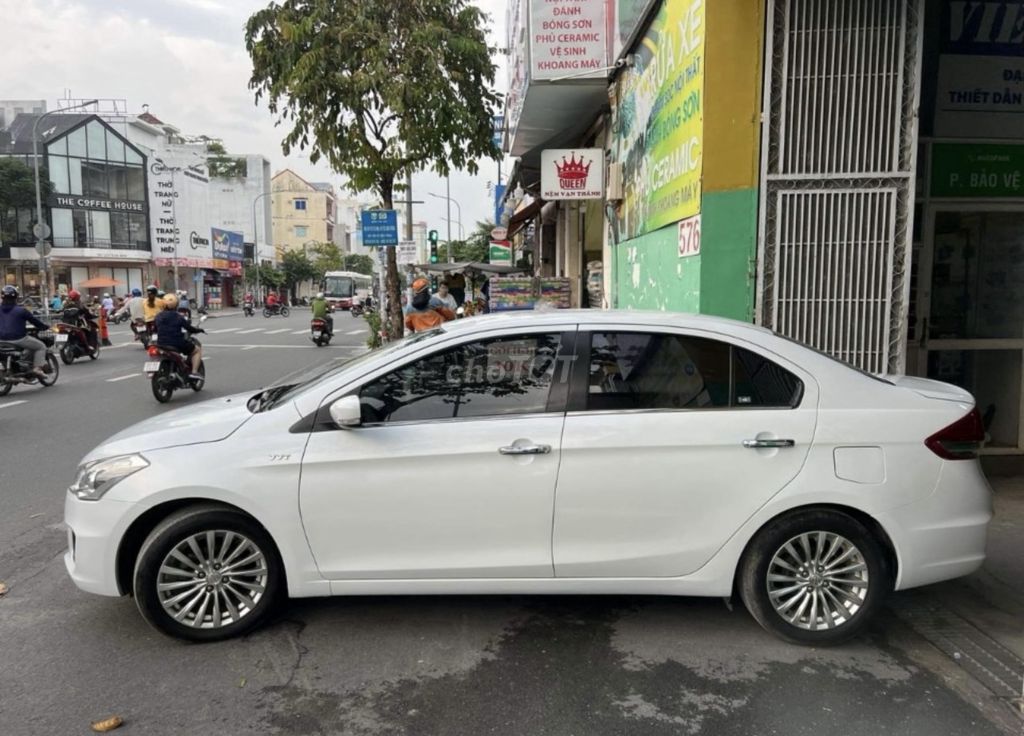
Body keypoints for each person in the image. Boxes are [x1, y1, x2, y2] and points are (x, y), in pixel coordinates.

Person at [0, 285, 49, 377]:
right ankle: (37, 368)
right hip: (18, 339)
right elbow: (35, 322)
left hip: (1, 340)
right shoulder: (21, 310)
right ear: (16, 297)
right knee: (41, 346)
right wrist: (45, 327)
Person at [154, 293, 205, 380]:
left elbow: (155, 328)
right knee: (196, 350)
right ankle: (194, 372)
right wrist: (198, 330)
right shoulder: (178, 316)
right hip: (176, 343)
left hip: (161, 343)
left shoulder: (158, 316)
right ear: (176, 305)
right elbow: (189, 328)